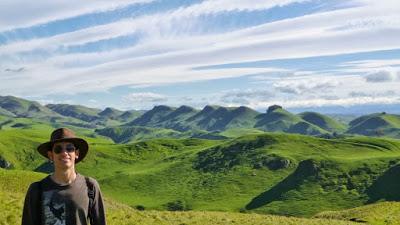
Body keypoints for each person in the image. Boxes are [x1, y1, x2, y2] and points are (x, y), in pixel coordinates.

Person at [22, 127, 106, 225]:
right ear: (51, 155)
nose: (64, 153)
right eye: (58, 149)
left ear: (76, 153)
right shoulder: (37, 189)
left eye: (69, 148)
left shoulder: (90, 186)